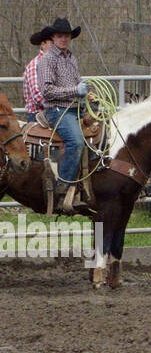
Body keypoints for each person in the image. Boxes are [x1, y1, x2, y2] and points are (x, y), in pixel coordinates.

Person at [35, 17, 91, 212]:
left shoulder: (71, 58)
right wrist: (76, 91)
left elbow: (77, 82)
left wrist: (87, 93)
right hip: (56, 109)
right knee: (76, 141)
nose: (64, 39)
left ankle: (85, 187)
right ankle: (62, 189)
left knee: (99, 136)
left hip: (75, 108)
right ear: (53, 37)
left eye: (66, 35)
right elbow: (47, 91)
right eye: (60, 36)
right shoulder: (47, 60)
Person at [22, 25, 53, 122]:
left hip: (54, 111)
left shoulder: (59, 63)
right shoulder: (35, 65)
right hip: (37, 115)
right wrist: (60, 104)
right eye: (52, 43)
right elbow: (37, 95)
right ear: (43, 44)